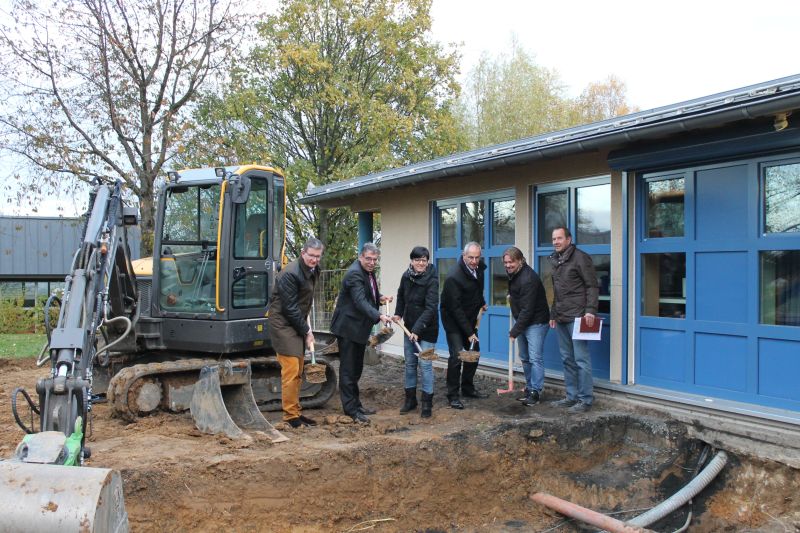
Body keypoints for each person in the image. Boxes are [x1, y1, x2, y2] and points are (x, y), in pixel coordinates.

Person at [330, 242, 393, 424]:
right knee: (349, 370)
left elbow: (368, 295)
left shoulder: (368, 272)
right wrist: (379, 316)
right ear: (360, 257)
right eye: (368, 259)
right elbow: (359, 301)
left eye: (375, 259)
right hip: (348, 328)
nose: (372, 262)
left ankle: (356, 405)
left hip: (359, 328)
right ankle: (351, 411)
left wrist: (380, 298)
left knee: (356, 368)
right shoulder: (354, 274)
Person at [268, 238, 324, 428]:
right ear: (303, 253)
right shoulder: (289, 274)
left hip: (297, 320)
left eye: (317, 256)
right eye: (311, 256)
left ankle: (296, 411)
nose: (314, 260)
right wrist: (307, 331)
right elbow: (290, 308)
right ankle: (291, 416)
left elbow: (304, 300)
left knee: (299, 369)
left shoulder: (314, 270)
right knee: (291, 369)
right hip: (283, 323)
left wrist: (305, 325)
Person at [548, 227, 599, 414]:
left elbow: (592, 286)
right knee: (567, 359)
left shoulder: (581, 258)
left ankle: (585, 399)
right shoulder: (556, 259)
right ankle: (571, 397)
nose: (556, 241)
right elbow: (558, 291)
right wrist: (553, 314)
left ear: (568, 239)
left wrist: (591, 311)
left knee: (581, 360)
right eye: (553, 239)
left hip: (578, 317)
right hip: (561, 317)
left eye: (559, 238)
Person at [440, 241, 488, 409]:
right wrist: (469, 332)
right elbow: (455, 308)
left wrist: (481, 302)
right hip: (453, 320)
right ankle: (452, 395)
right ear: (463, 256)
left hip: (470, 317)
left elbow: (478, 288)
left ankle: (467, 388)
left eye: (477, 257)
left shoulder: (479, 268)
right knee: (457, 355)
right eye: (471, 258)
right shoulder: (454, 277)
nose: (474, 261)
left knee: (474, 354)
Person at [392, 246, 439, 418]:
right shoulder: (407, 276)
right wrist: (398, 313)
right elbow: (401, 295)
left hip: (427, 329)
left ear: (427, 262)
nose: (420, 263)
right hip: (409, 327)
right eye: (417, 260)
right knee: (410, 364)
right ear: (411, 261)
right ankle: (410, 400)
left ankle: (427, 404)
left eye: (424, 260)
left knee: (425, 365)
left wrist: (417, 330)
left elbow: (431, 308)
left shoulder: (432, 279)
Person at [503, 246, 549, 407]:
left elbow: (528, 309)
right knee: (525, 357)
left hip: (536, 322)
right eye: (506, 262)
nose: (508, 265)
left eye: (511, 262)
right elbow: (519, 297)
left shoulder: (529, 278)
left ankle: (536, 391)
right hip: (523, 320)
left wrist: (514, 332)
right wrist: (512, 297)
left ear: (520, 261)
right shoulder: (514, 274)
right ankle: (529, 388)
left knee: (535, 357)